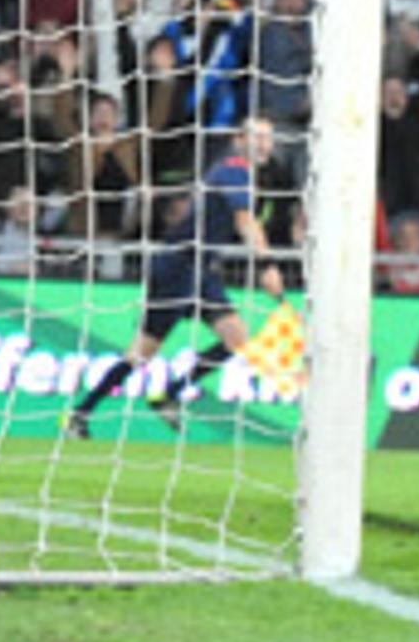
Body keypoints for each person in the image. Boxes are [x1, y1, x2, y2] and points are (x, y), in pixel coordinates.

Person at [63, 117, 287, 437]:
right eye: (257, 136)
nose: (264, 144)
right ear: (239, 139)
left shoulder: (236, 172)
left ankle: (165, 394)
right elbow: (245, 221)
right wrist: (267, 264)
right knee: (141, 353)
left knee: (237, 338)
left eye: (269, 137)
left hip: (197, 270)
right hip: (178, 268)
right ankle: (81, 412)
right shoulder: (234, 169)